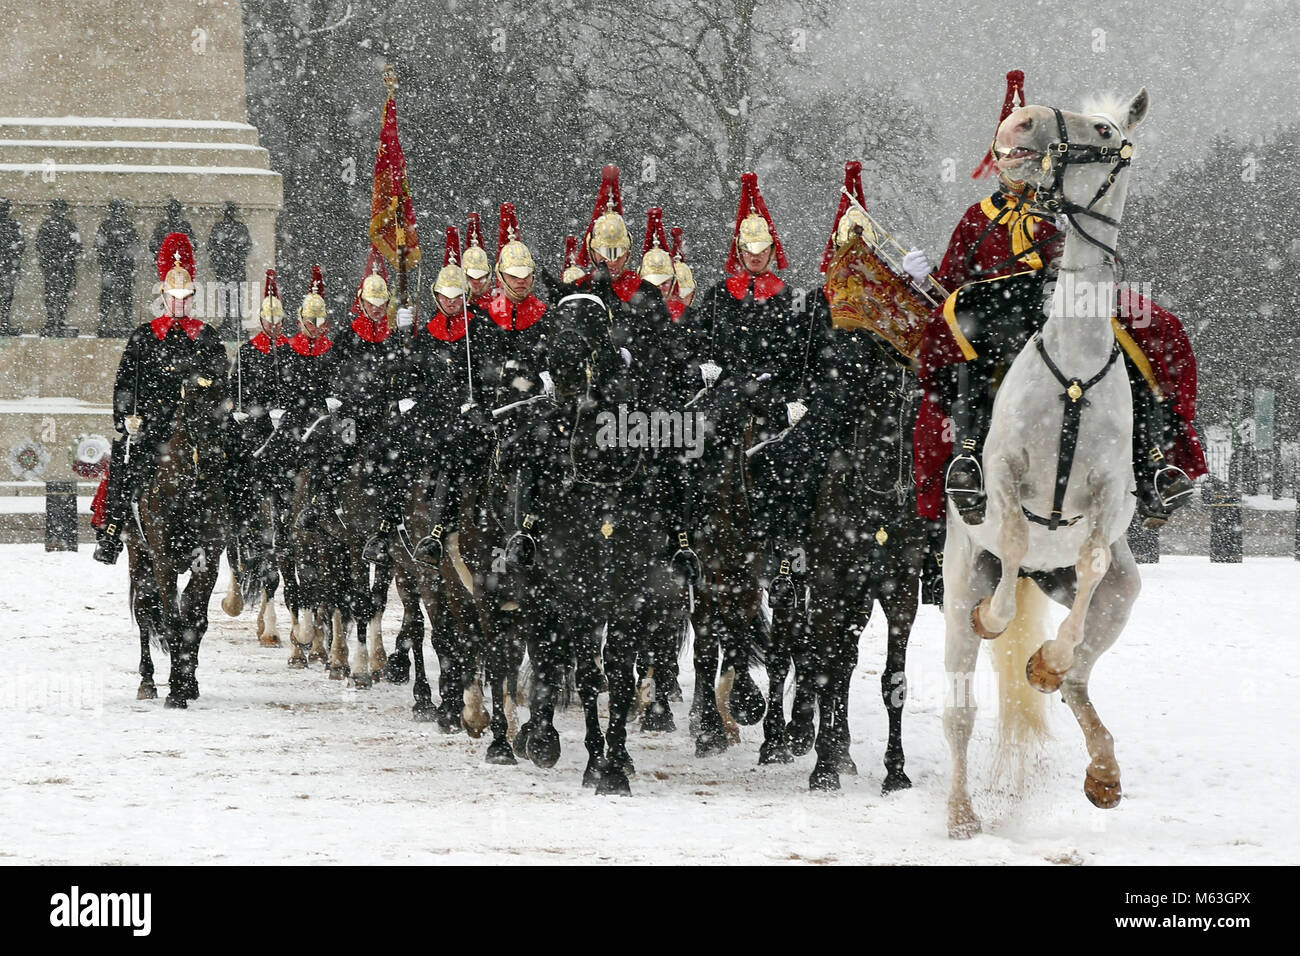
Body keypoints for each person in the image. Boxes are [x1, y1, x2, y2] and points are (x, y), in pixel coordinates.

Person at [908, 70, 1204, 529]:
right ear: (997, 161)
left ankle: (1154, 462)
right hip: (1000, 311)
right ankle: (968, 456)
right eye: (1006, 157)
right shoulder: (976, 216)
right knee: (962, 336)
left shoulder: (1062, 200)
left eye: (1022, 156)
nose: (1014, 164)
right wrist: (926, 279)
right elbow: (952, 280)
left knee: (1148, 332)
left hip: (1065, 299)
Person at [681, 172, 808, 604]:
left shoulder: (792, 298)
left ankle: (785, 558)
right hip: (725, 397)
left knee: (789, 465)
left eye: (763, 250)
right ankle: (687, 539)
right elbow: (695, 345)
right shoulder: (718, 296)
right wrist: (705, 368)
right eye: (749, 250)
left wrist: (792, 397)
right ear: (738, 251)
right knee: (690, 453)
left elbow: (803, 357)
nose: (756, 257)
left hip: (771, 398)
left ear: (773, 251)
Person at [93, 233, 231, 564]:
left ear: (193, 297)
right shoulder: (144, 336)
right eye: (174, 297)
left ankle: (244, 529)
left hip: (196, 426)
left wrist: (207, 384)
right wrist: (126, 416)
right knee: (127, 461)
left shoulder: (207, 337)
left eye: (185, 297)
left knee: (231, 462)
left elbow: (220, 379)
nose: (179, 303)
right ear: (164, 297)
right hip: (154, 423)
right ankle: (112, 530)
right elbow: (125, 382)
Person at [361, 228, 490, 565]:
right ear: (435, 296)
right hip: (431, 408)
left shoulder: (479, 329)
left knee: (451, 452)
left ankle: (436, 532)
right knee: (386, 446)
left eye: (456, 296)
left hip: (465, 410)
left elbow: (487, 373)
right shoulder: (428, 333)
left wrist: (473, 400)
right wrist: (407, 394)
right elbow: (411, 375)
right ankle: (385, 522)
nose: (450, 302)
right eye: (445, 296)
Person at [227, 269, 290, 564]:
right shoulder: (248, 351)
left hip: (283, 425)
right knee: (241, 470)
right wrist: (238, 411)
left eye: (278, 321)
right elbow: (234, 388)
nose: (273, 325)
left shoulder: (290, 351)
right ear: (261, 320)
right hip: (254, 425)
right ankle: (243, 526)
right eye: (269, 320)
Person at [94, 199, 140, 337]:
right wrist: (110, 254)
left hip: (124, 267)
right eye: (115, 210)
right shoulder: (105, 226)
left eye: (119, 210)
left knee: (126, 295)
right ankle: (103, 320)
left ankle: (127, 321)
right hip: (109, 267)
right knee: (106, 295)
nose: (117, 213)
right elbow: (98, 244)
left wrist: (124, 254)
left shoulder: (128, 226)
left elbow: (135, 245)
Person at [37, 199, 82, 337]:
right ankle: (51, 319)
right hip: (52, 265)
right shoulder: (47, 225)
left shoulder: (70, 225)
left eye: (61, 208)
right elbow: (40, 244)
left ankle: (61, 319)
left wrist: (66, 258)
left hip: (66, 266)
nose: (59, 211)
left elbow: (77, 245)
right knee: (50, 293)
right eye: (56, 208)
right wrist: (51, 258)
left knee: (64, 294)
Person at [0, 198, 25, 335]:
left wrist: (12, 251)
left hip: (8, 266)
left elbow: (21, 244)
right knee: (6, 294)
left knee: (7, 295)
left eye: (4, 208)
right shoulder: (13, 225)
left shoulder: (14, 225)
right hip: (7, 265)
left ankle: (4, 321)